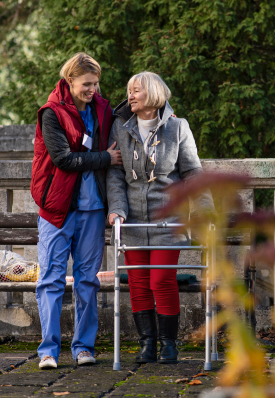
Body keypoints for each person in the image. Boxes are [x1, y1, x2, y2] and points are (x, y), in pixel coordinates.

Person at [106, 71, 214, 364]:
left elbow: (192, 173)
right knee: (139, 282)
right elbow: (115, 174)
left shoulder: (178, 128)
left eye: (136, 90)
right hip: (132, 221)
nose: (130, 96)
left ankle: (169, 344)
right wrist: (116, 209)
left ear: (153, 94)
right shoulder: (120, 127)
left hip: (169, 221)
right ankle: (147, 344)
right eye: (129, 91)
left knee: (161, 281)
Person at [31, 53, 122, 369]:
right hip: (57, 209)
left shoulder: (103, 110)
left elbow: (132, 116)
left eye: (96, 84)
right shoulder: (51, 114)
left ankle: (84, 348)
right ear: (69, 81)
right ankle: (48, 351)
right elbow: (64, 160)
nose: (93, 90)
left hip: (94, 209)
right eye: (87, 84)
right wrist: (105, 158)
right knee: (51, 280)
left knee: (87, 281)